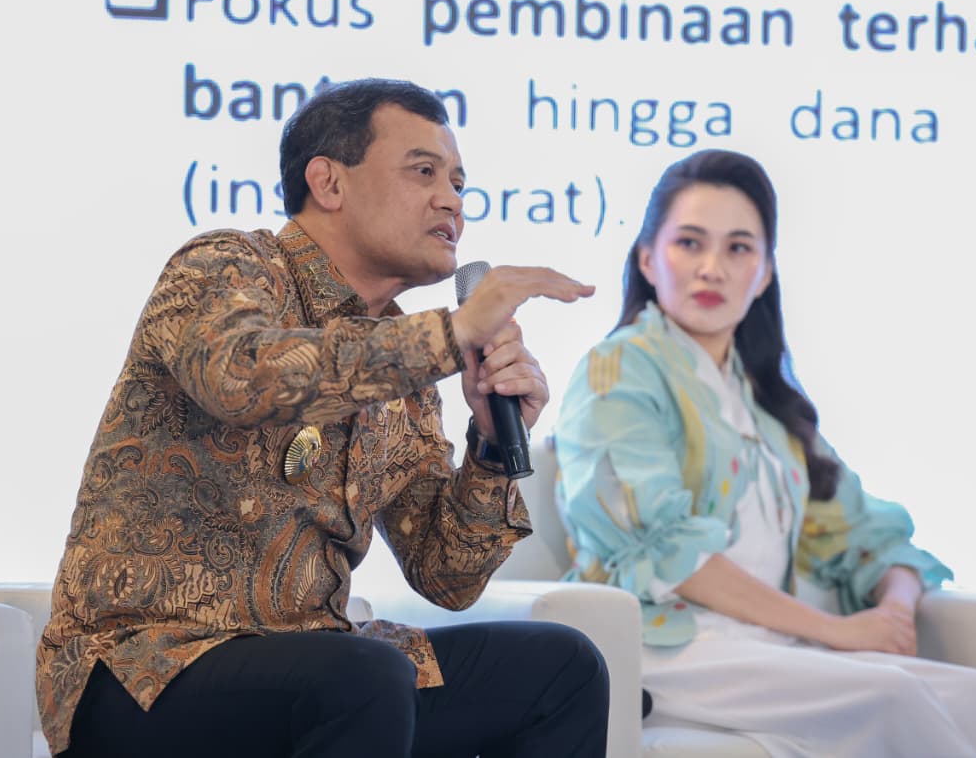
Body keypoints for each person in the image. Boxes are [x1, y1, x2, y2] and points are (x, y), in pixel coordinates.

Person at [36, 78, 609, 758]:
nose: (452, 200)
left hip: (318, 666)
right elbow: (242, 376)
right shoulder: (224, 267)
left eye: (459, 183)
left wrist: (489, 441)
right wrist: (451, 335)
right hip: (145, 669)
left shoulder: (407, 376)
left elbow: (446, 574)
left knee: (562, 669)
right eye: (423, 172)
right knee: (361, 675)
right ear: (329, 182)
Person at [553, 149, 976, 757]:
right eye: (689, 243)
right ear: (648, 258)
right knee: (894, 696)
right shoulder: (617, 370)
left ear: (765, 273)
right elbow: (668, 553)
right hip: (661, 643)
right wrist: (837, 631)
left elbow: (868, 535)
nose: (712, 269)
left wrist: (894, 611)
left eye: (738, 248)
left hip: (762, 645)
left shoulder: (765, 404)